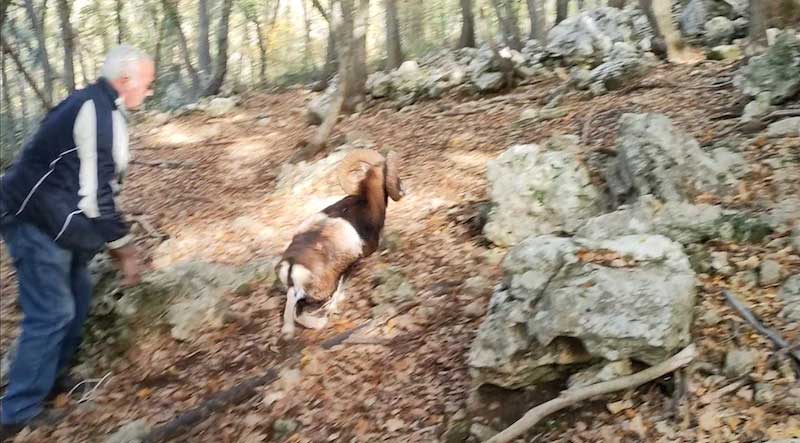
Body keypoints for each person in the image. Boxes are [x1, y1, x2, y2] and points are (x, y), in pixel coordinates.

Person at [0, 44, 154, 441]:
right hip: (31, 219)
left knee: (79, 298)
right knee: (52, 311)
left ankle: (51, 379)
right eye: (147, 83)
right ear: (124, 81)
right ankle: (16, 412)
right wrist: (126, 250)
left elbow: (98, 185)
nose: (150, 91)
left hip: (59, 222)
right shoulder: (94, 110)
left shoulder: (106, 108)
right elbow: (97, 196)